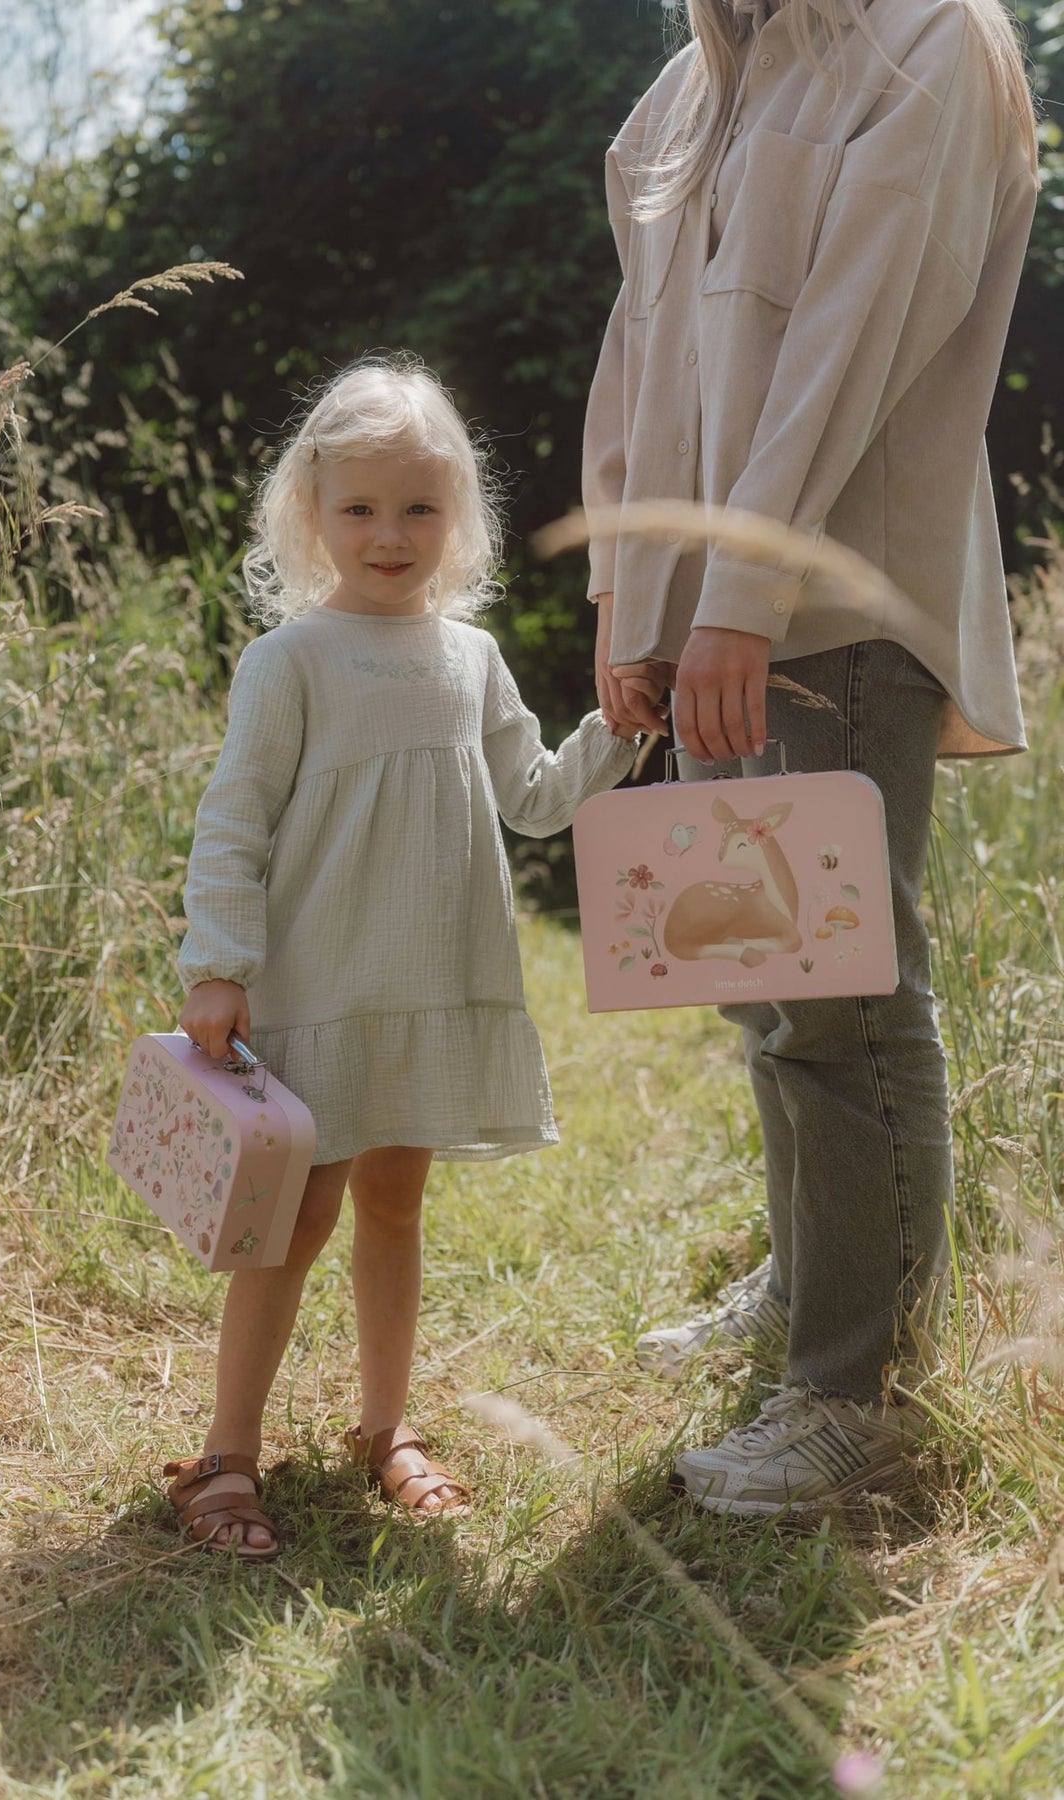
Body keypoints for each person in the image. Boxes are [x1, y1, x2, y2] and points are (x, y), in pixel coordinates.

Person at [583, 0, 1039, 1514]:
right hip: (714, 618)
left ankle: (857, 1397)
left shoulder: (931, 41)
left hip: (832, 603)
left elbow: (852, 341)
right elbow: (639, 361)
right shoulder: (679, 93)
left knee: (839, 999)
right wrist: (628, 604)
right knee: (769, 993)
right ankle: (803, 1298)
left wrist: (741, 597)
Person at [169, 359, 636, 1557]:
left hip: (429, 982)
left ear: (459, 518)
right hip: (321, 984)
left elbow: (532, 797)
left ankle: (385, 1428)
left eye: (419, 508)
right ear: (312, 515)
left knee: (395, 1203)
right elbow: (235, 819)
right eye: (362, 509)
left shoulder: (470, 656)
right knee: (297, 1213)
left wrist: (619, 730)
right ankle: (227, 1452)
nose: (390, 534)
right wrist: (218, 963)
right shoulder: (291, 662)